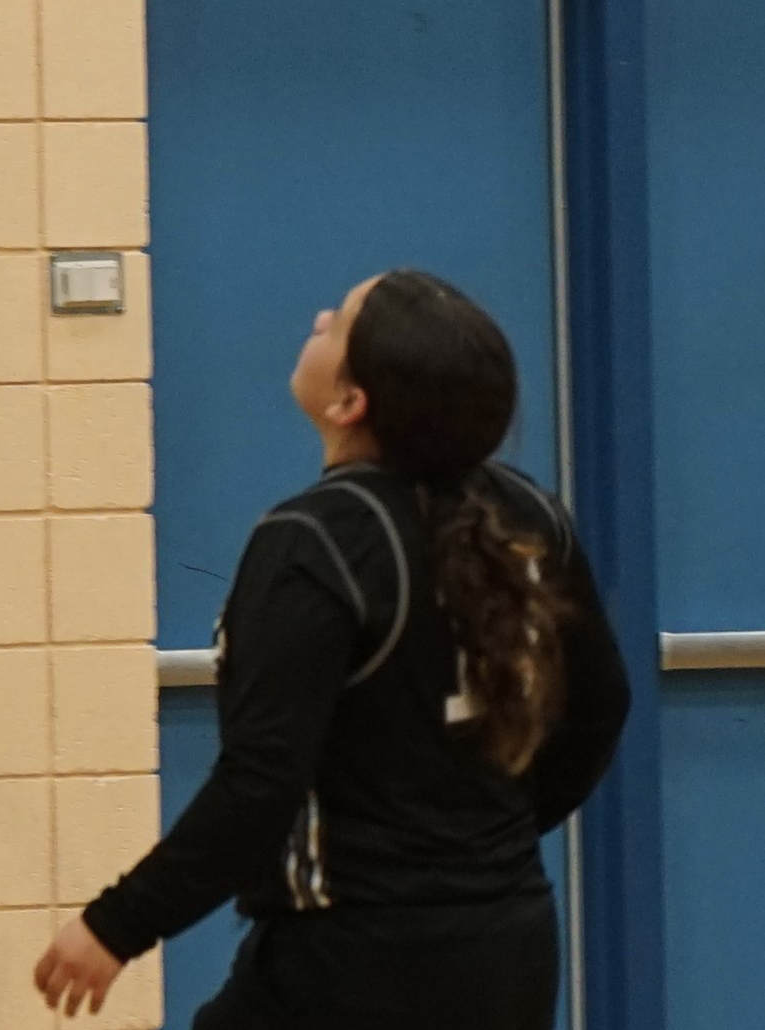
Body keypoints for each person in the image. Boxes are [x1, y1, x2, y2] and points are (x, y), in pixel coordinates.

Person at [35, 268, 630, 1028]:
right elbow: (599, 710)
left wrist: (115, 926)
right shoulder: (531, 514)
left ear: (351, 403)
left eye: (339, 322)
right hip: (508, 946)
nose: (317, 317)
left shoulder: (313, 541)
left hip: (351, 960)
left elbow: (257, 786)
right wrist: (481, 845)